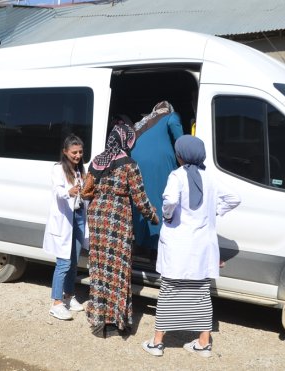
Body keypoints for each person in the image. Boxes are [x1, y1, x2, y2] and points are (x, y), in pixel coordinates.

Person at [141, 135, 241, 357]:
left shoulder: (176, 176)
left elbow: (170, 201)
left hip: (179, 244)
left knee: (169, 291)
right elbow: (234, 198)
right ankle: (203, 344)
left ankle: (157, 343)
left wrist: (168, 217)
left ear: (180, 155)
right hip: (202, 247)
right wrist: (214, 211)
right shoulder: (210, 178)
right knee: (201, 293)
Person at [83, 122, 159, 337]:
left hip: (97, 218)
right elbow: (140, 199)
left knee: (99, 268)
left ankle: (99, 321)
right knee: (118, 271)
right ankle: (117, 322)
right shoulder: (129, 164)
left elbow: (85, 192)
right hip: (118, 220)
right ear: (127, 141)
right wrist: (153, 217)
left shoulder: (98, 160)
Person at [42, 134, 88, 320]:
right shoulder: (58, 169)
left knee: (74, 261)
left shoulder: (80, 170)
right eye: (74, 152)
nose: (77, 155)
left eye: (80, 152)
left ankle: (69, 296)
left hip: (78, 217)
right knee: (63, 263)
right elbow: (58, 190)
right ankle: (56, 302)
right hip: (64, 219)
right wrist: (68, 192)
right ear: (65, 152)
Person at [130, 101, 184, 258]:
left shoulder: (143, 122)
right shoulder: (171, 116)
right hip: (159, 165)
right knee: (160, 201)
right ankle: (156, 248)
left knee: (141, 201)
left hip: (137, 163)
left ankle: (139, 244)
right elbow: (179, 137)